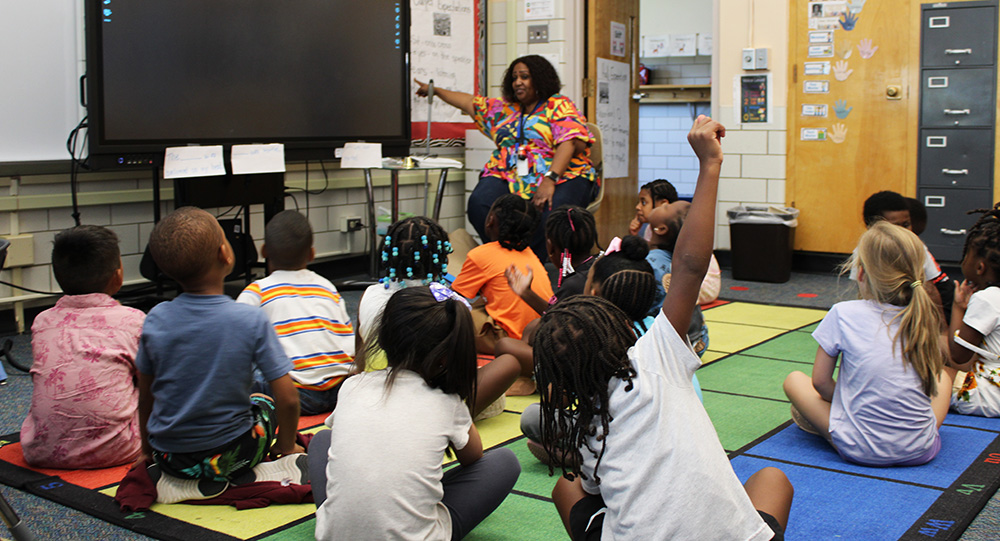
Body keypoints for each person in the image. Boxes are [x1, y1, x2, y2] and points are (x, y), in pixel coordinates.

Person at [532, 115, 793, 540]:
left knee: (570, 486)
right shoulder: (655, 356)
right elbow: (690, 265)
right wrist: (710, 165)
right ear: (615, 326)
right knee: (772, 480)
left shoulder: (589, 428)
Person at [309, 286, 521, 541]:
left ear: (383, 337)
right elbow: (473, 457)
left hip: (334, 536)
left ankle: (340, 521)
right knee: (505, 462)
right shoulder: (446, 400)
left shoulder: (352, 385)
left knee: (322, 439)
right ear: (446, 357)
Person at [137, 207, 304, 499]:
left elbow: (146, 394)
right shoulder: (250, 319)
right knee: (263, 399)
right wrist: (287, 445)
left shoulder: (155, 318)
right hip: (231, 456)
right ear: (225, 254)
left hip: (171, 459)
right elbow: (288, 399)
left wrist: (147, 449)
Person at [517, 234, 703, 465]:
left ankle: (585, 459)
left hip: (636, 443)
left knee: (534, 418)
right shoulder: (658, 328)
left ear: (593, 294)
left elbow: (556, 400)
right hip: (690, 436)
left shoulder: (594, 339)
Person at [783, 220, 951, 466]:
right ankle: (911, 432)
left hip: (857, 447)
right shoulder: (923, 313)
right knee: (943, 378)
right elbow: (928, 385)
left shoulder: (843, 312)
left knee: (794, 380)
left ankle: (844, 424)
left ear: (860, 272)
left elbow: (820, 382)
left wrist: (849, 403)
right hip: (920, 449)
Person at [415, 55, 597, 263]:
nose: (518, 82)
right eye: (514, 77)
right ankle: (503, 256)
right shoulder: (503, 109)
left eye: (525, 77)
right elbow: (467, 102)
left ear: (540, 79)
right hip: (509, 173)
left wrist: (549, 180)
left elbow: (570, 143)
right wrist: (435, 91)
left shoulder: (558, 105)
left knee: (550, 212)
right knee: (480, 203)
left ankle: (531, 263)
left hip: (562, 174)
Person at [357, 216, 521, 416]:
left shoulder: (370, 294)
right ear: (443, 259)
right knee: (508, 364)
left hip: (377, 396)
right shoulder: (451, 302)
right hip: (427, 405)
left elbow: (360, 358)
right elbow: (462, 370)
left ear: (388, 255)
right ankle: (450, 420)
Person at [20, 225, 145, 469]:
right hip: (118, 449)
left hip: (41, 450)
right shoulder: (134, 320)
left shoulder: (42, 321)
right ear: (118, 276)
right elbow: (151, 381)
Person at [236, 210, 354, 416]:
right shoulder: (326, 286)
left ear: (263, 251)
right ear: (311, 254)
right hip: (343, 391)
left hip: (297, 395)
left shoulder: (257, 291)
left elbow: (234, 344)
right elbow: (346, 333)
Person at [451, 194, 553, 354]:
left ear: (490, 219)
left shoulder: (481, 254)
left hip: (508, 337)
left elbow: (455, 298)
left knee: (456, 315)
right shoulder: (530, 254)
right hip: (539, 335)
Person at [861, 190, 951, 320]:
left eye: (906, 225)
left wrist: (942, 329)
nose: (903, 232)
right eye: (895, 227)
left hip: (937, 296)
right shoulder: (863, 251)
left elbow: (930, 289)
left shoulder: (913, 247)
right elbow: (863, 288)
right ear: (872, 227)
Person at [629, 178, 720, 304]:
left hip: (702, 287)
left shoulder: (680, 232)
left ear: (663, 204)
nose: (638, 207)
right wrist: (635, 235)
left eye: (643, 203)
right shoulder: (653, 229)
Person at [948, 204, 1000, 417]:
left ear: (979, 267)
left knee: (938, 375)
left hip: (990, 396)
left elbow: (959, 356)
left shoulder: (987, 299)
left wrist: (958, 308)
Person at [644, 203, 710, 354]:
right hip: (699, 339)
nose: (665, 204)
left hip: (671, 346)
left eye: (667, 208)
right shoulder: (682, 260)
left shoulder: (651, 264)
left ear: (661, 229)